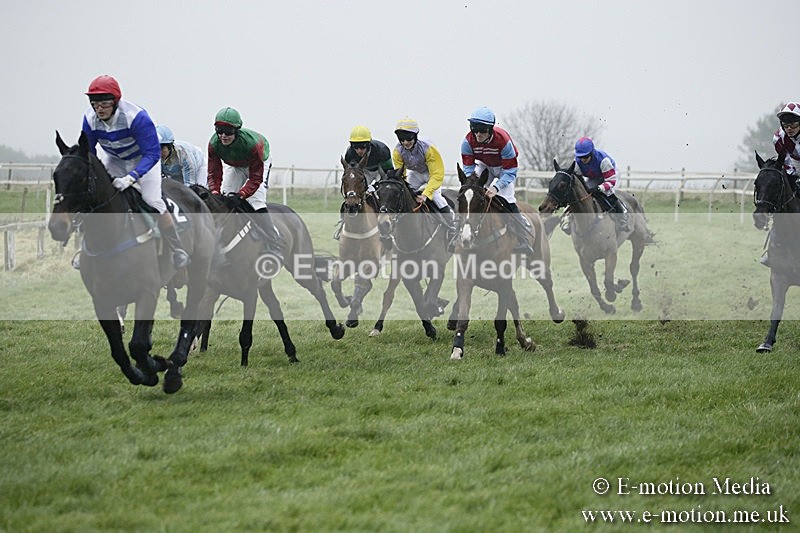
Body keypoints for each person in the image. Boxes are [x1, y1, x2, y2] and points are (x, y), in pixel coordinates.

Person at [81, 75, 189, 269]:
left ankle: (177, 249)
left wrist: (131, 178)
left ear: (115, 101)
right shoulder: (89, 119)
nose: (99, 108)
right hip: (115, 159)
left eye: (104, 103)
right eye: (95, 103)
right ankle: (86, 249)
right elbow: (89, 151)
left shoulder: (136, 117)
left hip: (145, 159)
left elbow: (152, 153)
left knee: (152, 200)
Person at [206, 107, 284, 265]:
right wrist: (214, 192)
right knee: (226, 198)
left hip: (259, 163)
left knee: (256, 202)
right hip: (235, 165)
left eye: (228, 131)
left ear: (236, 130)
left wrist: (241, 195)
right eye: (219, 130)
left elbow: (255, 178)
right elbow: (214, 173)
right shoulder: (214, 143)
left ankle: (274, 242)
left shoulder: (252, 145)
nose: (223, 136)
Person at [460, 106, 536, 258]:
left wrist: (496, 187)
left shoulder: (503, 141)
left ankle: (523, 237)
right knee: (470, 194)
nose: (478, 134)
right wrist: (474, 185)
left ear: (490, 129)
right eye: (475, 129)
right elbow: (468, 170)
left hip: (504, 168)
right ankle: (459, 232)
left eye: (482, 130)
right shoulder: (467, 141)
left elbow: (511, 171)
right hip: (484, 165)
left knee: (507, 199)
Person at [391, 117, 457, 248]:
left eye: (408, 139)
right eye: (402, 139)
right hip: (415, 174)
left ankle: (452, 227)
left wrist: (426, 194)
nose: (405, 142)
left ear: (415, 136)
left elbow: (437, 175)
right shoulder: (397, 151)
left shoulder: (428, 149)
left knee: (437, 197)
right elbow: (401, 176)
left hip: (431, 173)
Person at [334, 126, 394, 239]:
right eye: (356, 147)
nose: (359, 150)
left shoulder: (382, 150)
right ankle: (342, 225)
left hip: (380, 170)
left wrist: (376, 186)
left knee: (385, 195)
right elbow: (352, 175)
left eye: (362, 147)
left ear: (369, 144)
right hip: (363, 171)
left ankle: (389, 227)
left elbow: (388, 175)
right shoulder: (350, 153)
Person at [760, 102, 800, 267]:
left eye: (793, 124)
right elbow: (786, 160)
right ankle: (773, 251)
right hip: (793, 168)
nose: (789, 128)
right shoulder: (779, 137)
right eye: (785, 125)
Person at [573, 137, 631, 232]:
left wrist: (600, 188)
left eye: (585, 156)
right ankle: (566, 218)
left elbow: (611, 181)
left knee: (608, 193)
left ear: (591, 153)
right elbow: (578, 180)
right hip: (594, 177)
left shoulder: (603, 160)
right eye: (580, 157)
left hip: (610, 175)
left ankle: (622, 216)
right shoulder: (577, 162)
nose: (583, 160)